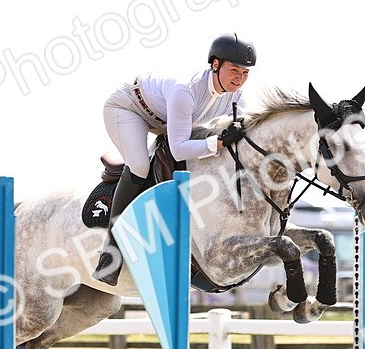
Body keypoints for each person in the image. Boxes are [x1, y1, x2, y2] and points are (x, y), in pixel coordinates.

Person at [92, 33, 257, 285]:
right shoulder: (186, 90)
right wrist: (219, 141)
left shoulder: (235, 95)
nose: (239, 78)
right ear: (215, 64)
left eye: (245, 73)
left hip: (168, 121)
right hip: (130, 109)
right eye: (234, 70)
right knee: (139, 166)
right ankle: (110, 254)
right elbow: (179, 148)